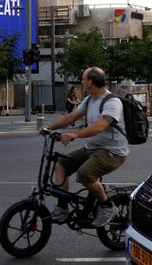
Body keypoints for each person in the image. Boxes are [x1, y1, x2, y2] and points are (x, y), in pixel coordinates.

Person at [39, 67, 128, 228]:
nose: (81, 81)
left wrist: (75, 134)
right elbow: (71, 116)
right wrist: (49, 128)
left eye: (83, 78)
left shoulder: (112, 102)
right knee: (61, 164)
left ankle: (107, 206)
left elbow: (101, 126)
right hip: (92, 148)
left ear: (90, 82)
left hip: (112, 152)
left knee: (85, 174)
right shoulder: (89, 100)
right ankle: (62, 207)